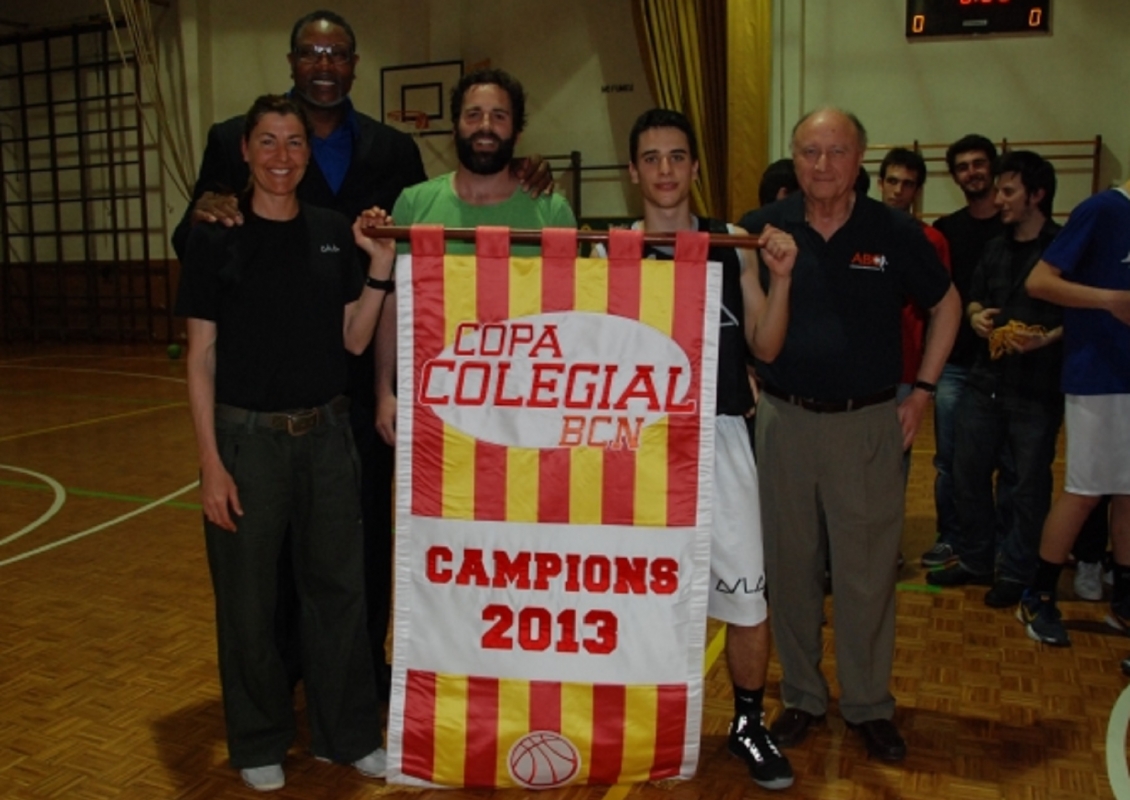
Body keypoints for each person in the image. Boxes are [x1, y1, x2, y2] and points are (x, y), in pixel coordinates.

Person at [171, 10, 550, 705]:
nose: (323, 63)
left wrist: (526, 169)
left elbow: (404, 263)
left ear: (353, 64)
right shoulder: (232, 139)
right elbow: (193, 234)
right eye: (311, 51)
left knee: (362, 537)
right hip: (265, 384)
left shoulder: (393, 152)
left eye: (337, 53)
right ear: (291, 61)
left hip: (359, 364)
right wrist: (209, 206)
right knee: (270, 542)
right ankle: (283, 666)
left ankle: (361, 666)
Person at [176, 94, 396, 792]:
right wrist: (210, 464)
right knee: (248, 601)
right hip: (248, 445)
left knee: (340, 593)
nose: (281, 156)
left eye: (294, 142)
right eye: (267, 141)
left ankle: (347, 735)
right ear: (244, 150)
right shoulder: (216, 235)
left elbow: (355, 338)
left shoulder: (332, 232)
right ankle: (259, 738)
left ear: (308, 153)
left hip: (329, 439)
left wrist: (381, 264)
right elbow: (200, 357)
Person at [739, 108, 960, 762]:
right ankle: (802, 697)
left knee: (866, 577)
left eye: (837, 152)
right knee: (790, 569)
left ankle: (868, 705)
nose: (823, 165)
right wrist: (746, 376)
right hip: (782, 422)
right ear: (794, 156)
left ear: (859, 156)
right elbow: (728, 314)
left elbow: (947, 305)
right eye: (810, 151)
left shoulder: (893, 231)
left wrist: (922, 391)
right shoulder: (759, 232)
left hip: (868, 423)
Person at [603, 108, 797, 789]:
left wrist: (785, 277)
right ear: (632, 171)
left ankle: (748, 721)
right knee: (634, 594)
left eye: (676, 157)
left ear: (692, 167)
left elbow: (767, 348)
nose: (664, 171)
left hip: (721, 434)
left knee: (746, 592)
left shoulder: (731, 242)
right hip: (638, 446)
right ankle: (638, 721)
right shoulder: (608, 249)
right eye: (650, 158)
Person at [374, 68, 575, 443]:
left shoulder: (553, 212)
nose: (485, 125)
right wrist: (385, 391)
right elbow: (394, 304)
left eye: (499, 116)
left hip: (526, 405)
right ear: (455, 127)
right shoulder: (414, 204)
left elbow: (570, 313)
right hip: (432, 399)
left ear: (516, 131)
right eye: (473, 114)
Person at [926, 151, 1063, 609]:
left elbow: (1074, 315)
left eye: (1009, 191)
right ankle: (977, 558)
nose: (999, 199)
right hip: (985, 381)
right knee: (966, 471)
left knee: (1026, 483)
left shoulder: (1062, 248)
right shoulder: (995, 247)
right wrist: (977, 316)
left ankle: (1018, 571)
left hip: (1035, 387)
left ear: (1036, 194)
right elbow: (971, 299)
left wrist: (1045, 340)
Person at [1018, 177, 1130, 647]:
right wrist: (1108, 300)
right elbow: (1039, 281)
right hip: (1099, 376)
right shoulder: (1103, 210)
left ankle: (1124, 599)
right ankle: (1038, 595)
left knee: (1129, 494)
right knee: (1085, 491)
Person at [924, 135, 1014, 568]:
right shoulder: (946, 230)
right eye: (962, 166)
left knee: (1009, 463)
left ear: (992, 168)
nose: (972, 172)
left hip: (1011, 368)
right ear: (954, 176)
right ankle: (952, 537)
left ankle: (1004, 544)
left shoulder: (1016, 223)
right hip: (957, 365)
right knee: (950, 461)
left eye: (979, 163)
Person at [878, 147, 952, 478]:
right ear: (879, 183)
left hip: (906, 367)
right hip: (857, 368)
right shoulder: (857, 231)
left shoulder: (930, 240)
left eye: (907, 184)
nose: (898, 190)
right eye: (892, 181)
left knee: (895, 461)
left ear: (917, 190)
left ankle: (890, 531)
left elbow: (941, 307)